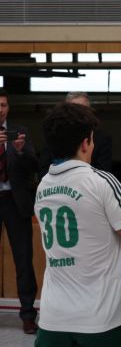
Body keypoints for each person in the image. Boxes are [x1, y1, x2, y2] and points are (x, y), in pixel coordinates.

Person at [34, 102, 121, 346]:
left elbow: (95, 201)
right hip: (100, 320)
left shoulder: (44, 186)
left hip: (52, 319)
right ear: (85, 143)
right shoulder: (101, 181)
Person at [0, 88, 38, 334]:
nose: (0, 109)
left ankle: (27, 314)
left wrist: (21, 150)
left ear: (8, 107)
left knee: (23, 259)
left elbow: (34, 165)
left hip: (15, 202)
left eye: (3, 105)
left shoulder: (19, 131)